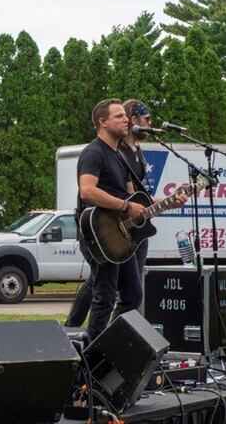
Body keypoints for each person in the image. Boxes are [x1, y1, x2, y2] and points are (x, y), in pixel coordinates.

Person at [65, 100, 156, 328]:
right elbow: (87, 190)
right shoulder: (93, 153)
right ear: (102, 122)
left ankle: (109, 347)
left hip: (119, 236)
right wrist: (125, 207)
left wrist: (167, 203)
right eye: (119, 116)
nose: (126, 119)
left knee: (133, 295)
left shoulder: (120, 157)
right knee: (104, 297)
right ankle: (94, 357)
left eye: (125, 116)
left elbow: (133, 197)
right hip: (98, 233)